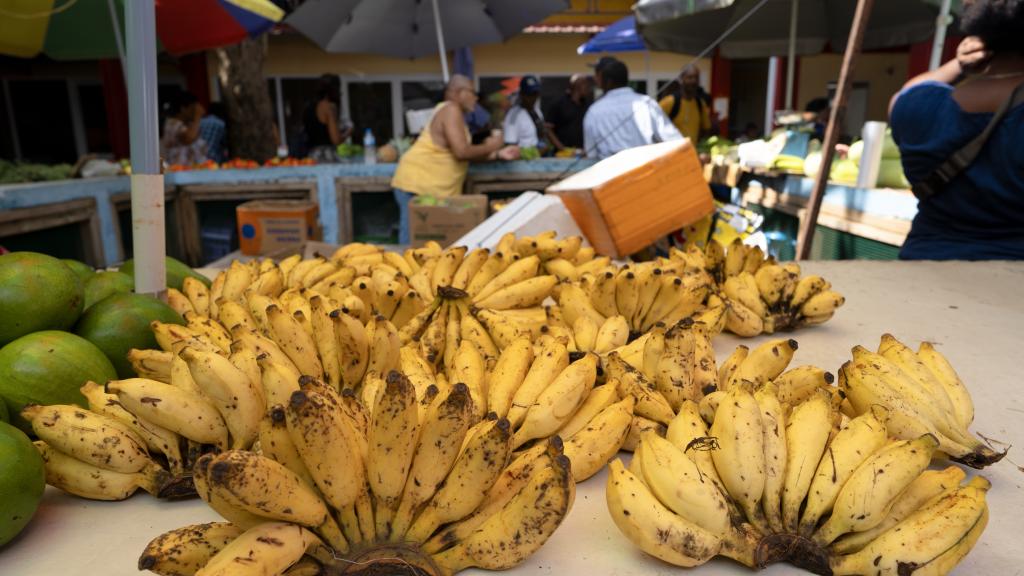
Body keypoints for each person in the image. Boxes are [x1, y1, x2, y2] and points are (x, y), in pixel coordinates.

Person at [889, 0, 1024, 260]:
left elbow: (904, 95)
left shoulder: (919, 107)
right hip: (1012, 286)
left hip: (922, 271)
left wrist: (960, 65)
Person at [391, 74, 517, 244]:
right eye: (472, 92)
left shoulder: (452, 112)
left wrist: (497, 155)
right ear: (459, 92)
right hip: (416, 186)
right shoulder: (450, 110)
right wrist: (494, 145)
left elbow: (459, 155)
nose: (476, 97)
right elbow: (461, 152)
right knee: (412, 244)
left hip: (429, 188)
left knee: (431, 245)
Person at [582, 59, 682, 159]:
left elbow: (591, 154)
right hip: (646, 169)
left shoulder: (594, 112)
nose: (596, 79)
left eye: (598, 76)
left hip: (611, 172)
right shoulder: (647, 103)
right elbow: (674, 140)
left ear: (608, 82)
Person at [303, 74, 351, 163]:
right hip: (326, 157)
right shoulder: (329, 108)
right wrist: (348, 133)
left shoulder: (309, 107)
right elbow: (335, 140)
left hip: (311, 156)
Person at [659, 65, 712, 143]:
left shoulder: (700, 103)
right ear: (681, 79)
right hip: (673, 152)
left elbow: (706, 128)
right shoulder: (669, 102)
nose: (693, 81)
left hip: (692, 152)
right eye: (689, 77)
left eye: (696, 77)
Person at [545, 73, 594, 150]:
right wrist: (561, 148)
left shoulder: (587, 106)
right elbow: (548, 129)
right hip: (562, 153)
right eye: (585, 85)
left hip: (582, 152)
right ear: (577, 85)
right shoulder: (559, 103)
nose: (588, 88)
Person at [160, 91, 207, 166]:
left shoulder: (188, 125)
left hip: (193, 172)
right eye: (192, 109)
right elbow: (188, 138)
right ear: (183, 108)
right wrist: (197, 116)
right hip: (179, 173)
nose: (194, 112)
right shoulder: (172, 124)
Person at [503, 75, 547, 151]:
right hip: (524, 161)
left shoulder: (537, 111)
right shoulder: (513, 115)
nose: (533, 98)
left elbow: (541, 135)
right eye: (529, 94)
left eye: (535, 94)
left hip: (539, 159)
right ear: (522, 94)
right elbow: (509, 145)